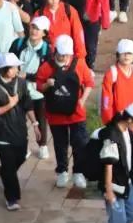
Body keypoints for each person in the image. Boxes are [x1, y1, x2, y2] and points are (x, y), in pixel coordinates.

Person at [36, 35, 95, 189]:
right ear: (55, 51)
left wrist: (82, 101)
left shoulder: (80, 64)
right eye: (62, 54)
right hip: (56, 114)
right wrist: (47, 85)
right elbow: (39, 87)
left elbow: (89, 83)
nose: (64, 58)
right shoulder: (46, 67)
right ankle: (62, 171)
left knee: (80, 143)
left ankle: (78, 172)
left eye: (67, 55)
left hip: (76, 113)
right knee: (60, 144)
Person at [0, 52, 35, 212]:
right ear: (6, 69)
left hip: (19, 131)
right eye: (14, 67)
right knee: (9, 166)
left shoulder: (20, 83)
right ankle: (11, 198)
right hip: (1, 134)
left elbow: (27, 104)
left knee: (19, 158)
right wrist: (10, 104)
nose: (17, 69)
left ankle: (5, 172)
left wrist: (35, 123)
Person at [100, 38, 133, 196]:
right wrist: (110, 122)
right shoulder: (112, 74)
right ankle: (118, 182)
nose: (126, 56)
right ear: (118, 54)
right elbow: (107, 100)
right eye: (124, 52)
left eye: (130, 53)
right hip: (120, 122)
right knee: (120, 156)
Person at [10, 15, 52, 160]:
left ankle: (42, 145)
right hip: (19, 90)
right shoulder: (18, 44)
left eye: (38, 29)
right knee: (19, 120)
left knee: (40, 119)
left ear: (44, 33)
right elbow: (9, 63)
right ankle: (23, 146)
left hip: (38, 92)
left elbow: (45, 74)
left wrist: (26, 75)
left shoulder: (48, 51)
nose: (33, 31)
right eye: (32, 27)